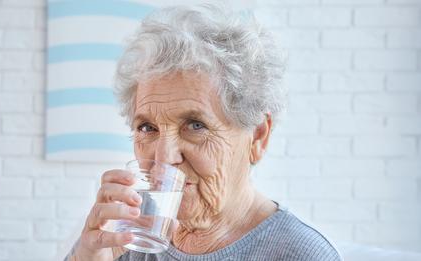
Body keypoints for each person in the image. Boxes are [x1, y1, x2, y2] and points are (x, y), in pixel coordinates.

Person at [65, 4, 342, 261]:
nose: (163, 158)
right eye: (147, 128)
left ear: (258, 136)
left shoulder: (303, 254)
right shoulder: (124, 242)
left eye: (195, 125)